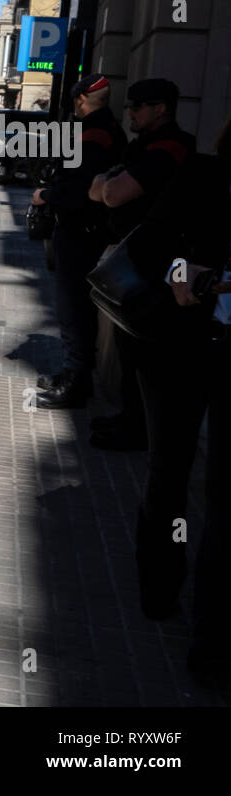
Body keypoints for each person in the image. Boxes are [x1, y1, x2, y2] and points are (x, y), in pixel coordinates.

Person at [89, 78, 201, 620]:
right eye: (127, 105)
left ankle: (165, 591)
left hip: (178, 318)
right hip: (168, 309)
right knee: (167, 464)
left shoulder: (175, 153)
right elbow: (106, 189)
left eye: (137, 106)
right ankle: (160, 591)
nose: (130, 112)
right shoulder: (174, 158)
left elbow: (113, 191)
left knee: (170, 466)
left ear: (161, 108)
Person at [166, 117, 231, 684]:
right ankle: (205, 643)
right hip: (208, 344)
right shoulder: (213, 178)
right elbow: (173, 243)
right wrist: (185, 273)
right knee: (183, 476)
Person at [31, 74, 125, 409]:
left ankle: (77, 380)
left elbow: (78, 190)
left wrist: (46, 195)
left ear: (81, 99)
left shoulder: (93, 134)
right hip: (87, 231)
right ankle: (73, 374)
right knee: (75, 308)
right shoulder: (107, 130)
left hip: (80, 232)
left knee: (74, 308)